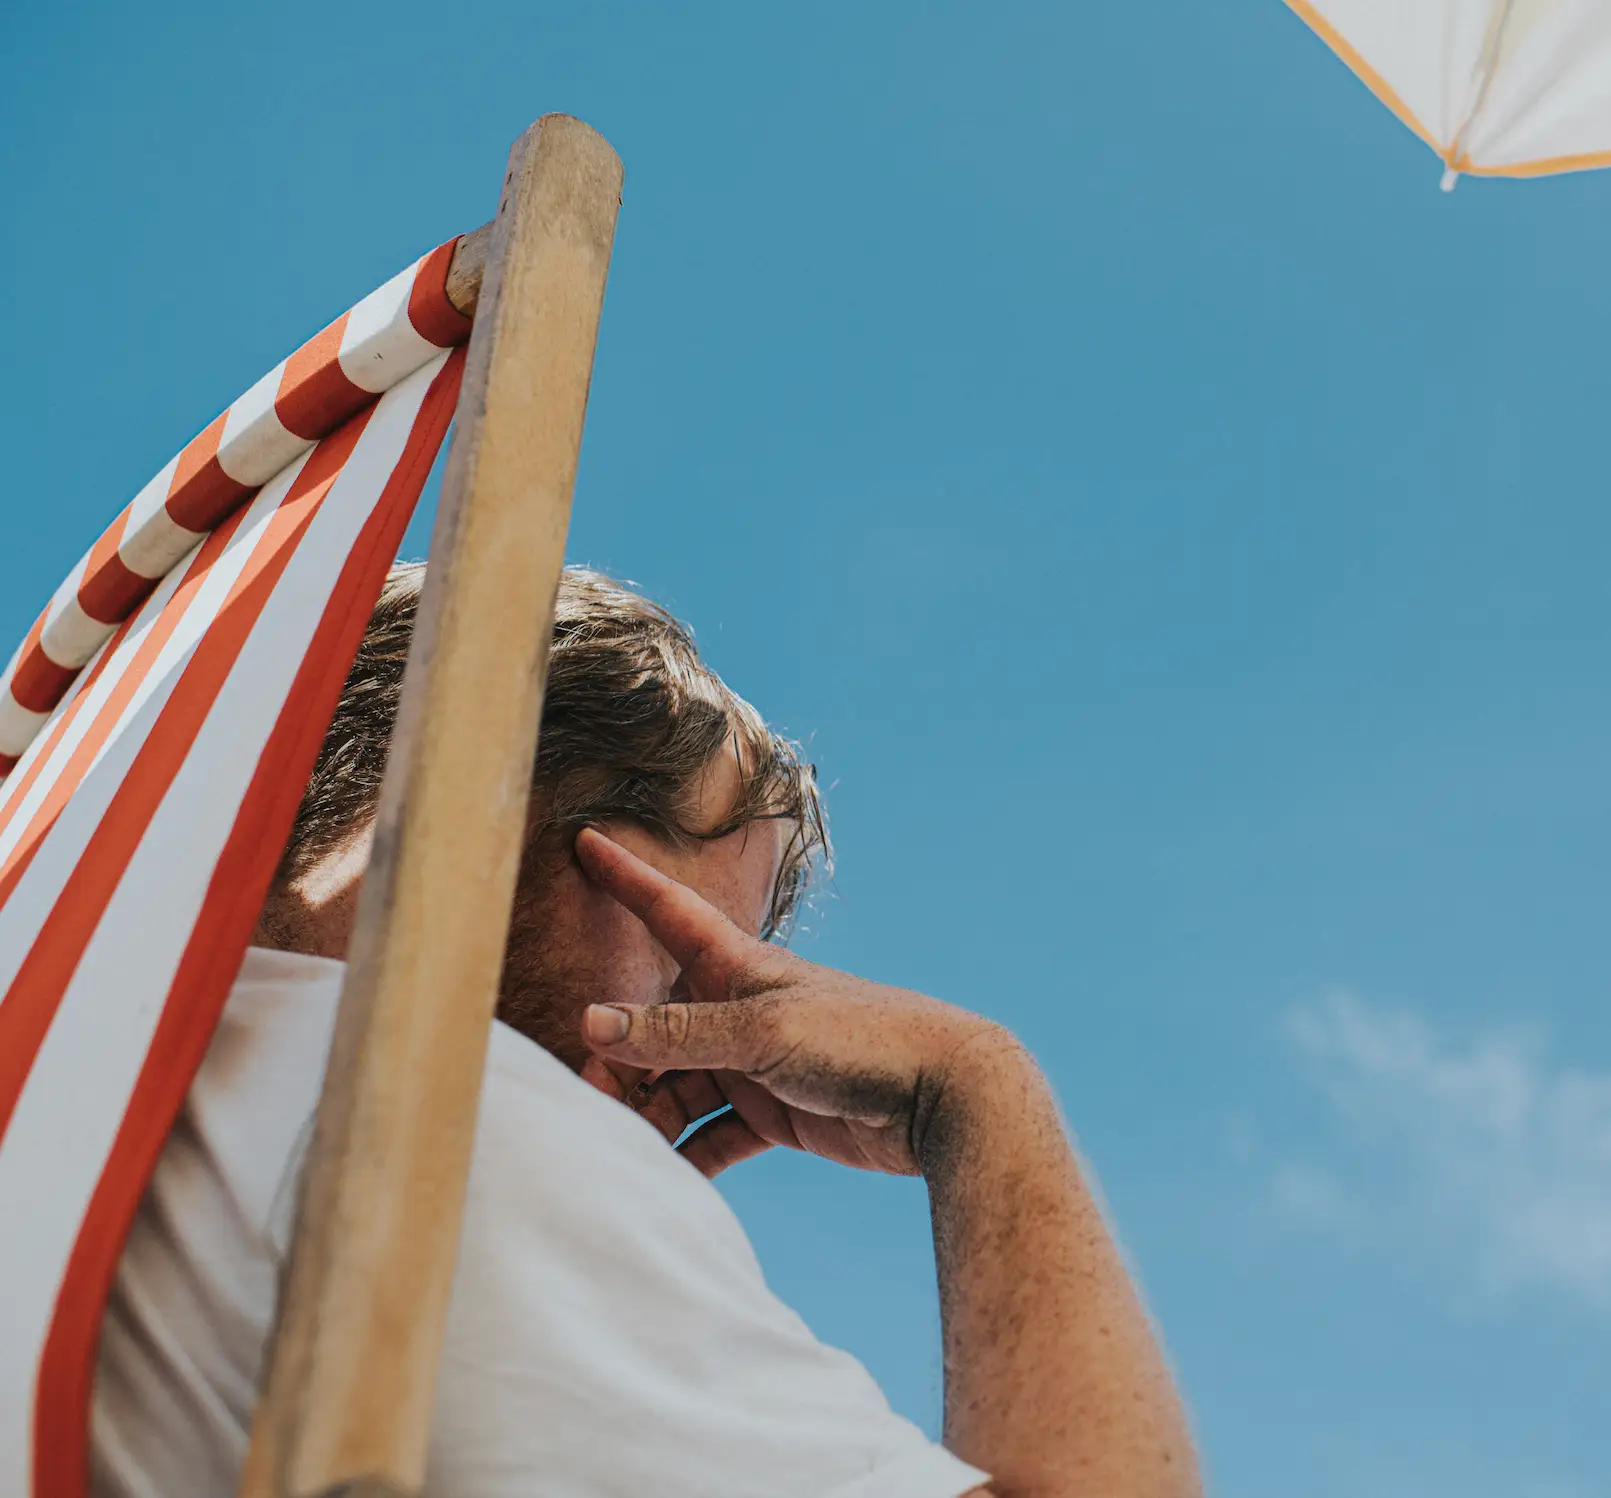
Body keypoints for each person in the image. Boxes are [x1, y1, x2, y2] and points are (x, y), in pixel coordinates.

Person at [92, 564, 1201, 1498]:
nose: (697, 1050)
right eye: (691, 956)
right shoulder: (432, 1121)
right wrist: (974, 1088)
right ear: (460, 803)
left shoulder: (104, 1071)